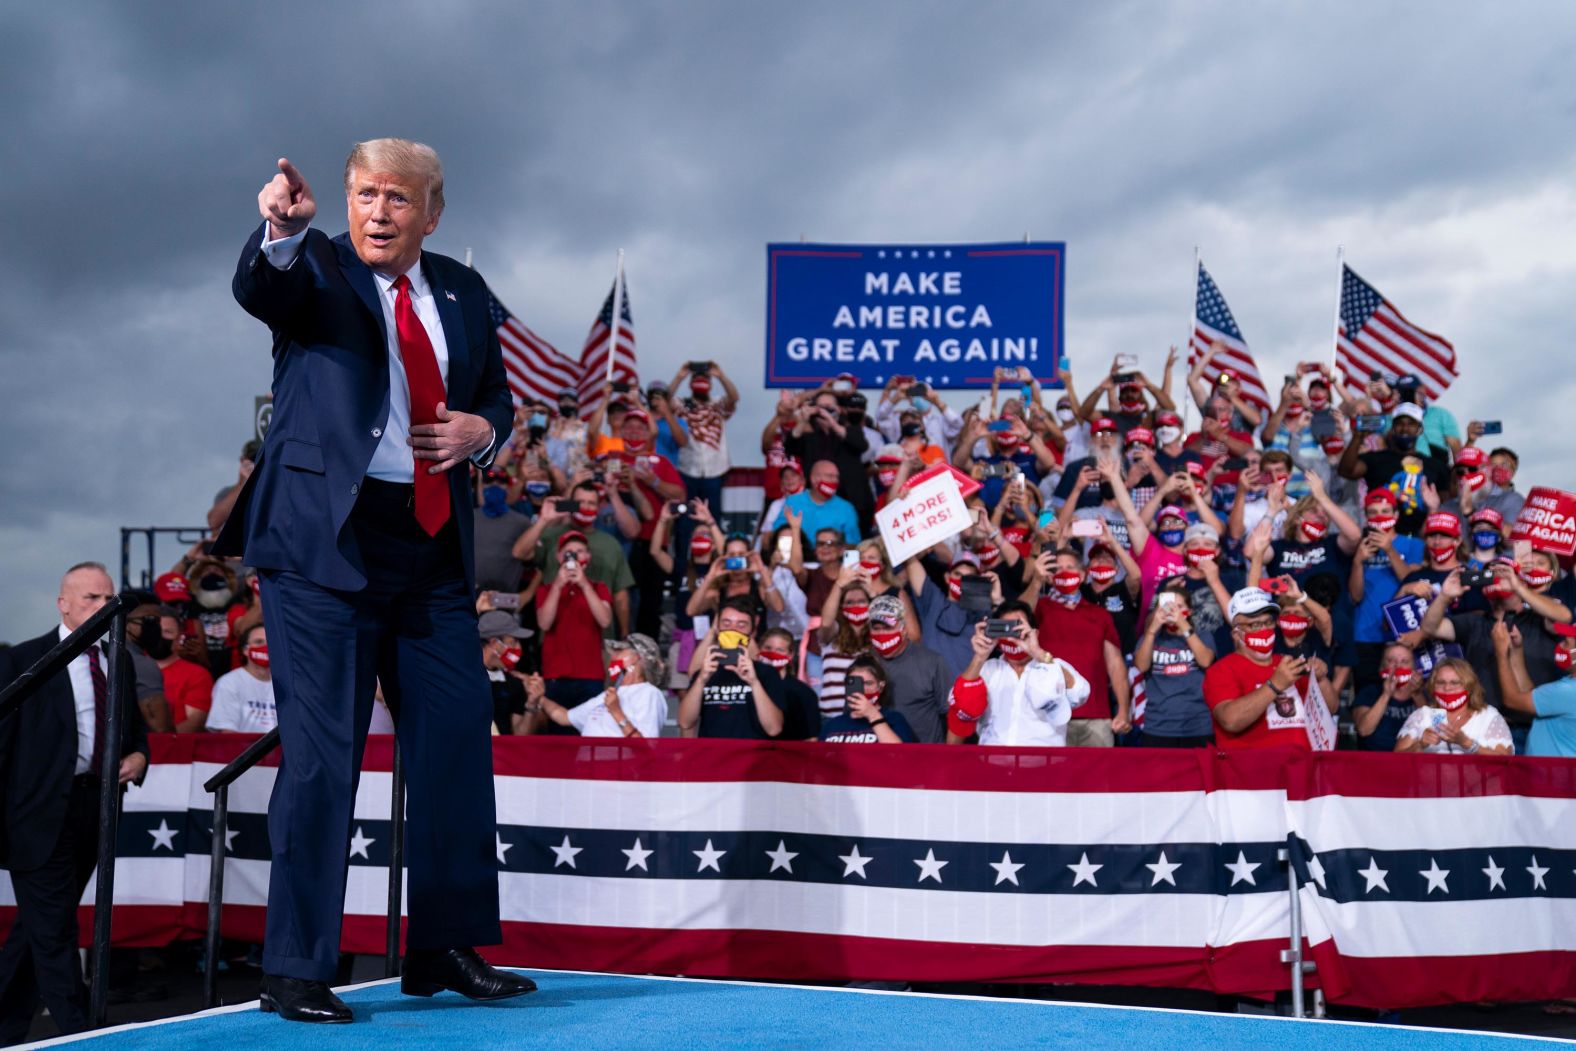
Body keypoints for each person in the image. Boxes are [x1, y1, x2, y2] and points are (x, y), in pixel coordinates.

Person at [217, 143, 533, 1020]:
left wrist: (483, 431)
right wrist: (280, 229)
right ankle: (296, 965)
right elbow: (262, 288)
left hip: (430, 547)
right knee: (323, 759)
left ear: (434, 213)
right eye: (364, 194)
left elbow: (500, 401)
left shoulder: (465, 293)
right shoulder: (313, 266)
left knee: (458, 742)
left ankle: (442, 945)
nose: (377, 211)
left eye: (398, 197)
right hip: (323, 549)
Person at [0, 563, 148, 1043]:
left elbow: (134, 730)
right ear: (63, 603)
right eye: (91, 599)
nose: (103, 609)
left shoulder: (117, 659)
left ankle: (6, 1022)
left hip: (94, 811)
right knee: (55, 930)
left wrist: (139, 755)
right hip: (36, 814)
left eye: (109, 600)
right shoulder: (23, 659)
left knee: (40, 925)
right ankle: (81, 1034)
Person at [1204, 587, 1331, 751]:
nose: (1263, 629)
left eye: (1268, 622)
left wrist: (1321, 679)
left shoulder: (1288, 663)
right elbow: (1230, 721)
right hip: (1252, 771)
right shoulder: (1221, 670)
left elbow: (1329, 708)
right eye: (1255, 624)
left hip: (1300, 769)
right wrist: (1274, 685)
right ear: (1236, 633)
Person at [944, 603, 1090, 746]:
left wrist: (1037, 652)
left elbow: (1080, 693)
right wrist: (979, 656)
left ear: (1035, 633)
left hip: (1044, 765)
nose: (1011, 636)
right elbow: (959, 708)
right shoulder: (987, 669)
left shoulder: (1052, 665)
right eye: (1005, 629)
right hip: (995, 763)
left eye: (1017, 627)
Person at [1026, 547, 1131, 744]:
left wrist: (1124, 710)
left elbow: (1115, 665)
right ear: (1050, 576)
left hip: (1095, 717)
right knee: (1051, 775)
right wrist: (1036, 581)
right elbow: (1019, 616)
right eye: (1058, 569)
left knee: (1099, 775)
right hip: (1047, 717)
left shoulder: (1100, 615)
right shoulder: (1039, 608)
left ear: (1082, 575)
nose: (1064, 572)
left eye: (1070, 567)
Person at [535, 531, 616, 726]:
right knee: (557, 739)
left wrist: (584, 585)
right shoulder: (546, 589)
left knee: (589, 735)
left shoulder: (598, 588)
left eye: (579, 552)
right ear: (558, 556)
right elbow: (544, 623)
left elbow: (605, 621)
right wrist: (558, 586)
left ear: (587, 557)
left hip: (590, 676)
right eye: (568, 552)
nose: (574, 556)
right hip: (555, 675)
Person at [678, 598, 787, 738]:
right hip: (713, 756)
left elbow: (774, 729)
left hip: (751, 757)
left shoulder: (767, 673)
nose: (732, 630)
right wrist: (701, 680)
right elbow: (685, 723)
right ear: (718, 628)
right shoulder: (705, 672)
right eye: (726, 623)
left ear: (752, 632)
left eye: (741, 625)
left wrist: (754, 682)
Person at [526, 635, 667, 738]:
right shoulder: (609, 694)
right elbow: (563, 716)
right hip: (589, 772)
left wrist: (616, 712)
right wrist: (540, 697)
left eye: (619, 651)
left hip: (618, 773)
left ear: (636, 658)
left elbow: (646, 747)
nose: (613, 656)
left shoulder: (648, 693)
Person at [1133, 578, 1217, 747]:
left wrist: (1183, 626)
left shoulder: (1202, 635)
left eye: (1179, 607)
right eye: (1168, 607)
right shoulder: (1151, 638)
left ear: (1190, 611)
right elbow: (1141, 666)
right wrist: (1151, 630)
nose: (1173, 612)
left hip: (1197, 725)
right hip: (1158, 726)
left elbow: (1206, 660)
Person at [864, 595, 952, 743]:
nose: (881, 634)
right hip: (878, 756)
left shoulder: (932, 662)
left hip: (923, 757)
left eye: (888, 628)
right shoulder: (864, 665)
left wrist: (947, 755)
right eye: (876, 628)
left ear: (904, 628)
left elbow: (950, 714)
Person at [1394, 658, 1513, 755]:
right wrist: (1419, 745)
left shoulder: (1488, 716)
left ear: (1469, 687)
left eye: (1455, 683)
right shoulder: (1422, 716)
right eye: (1441, 683)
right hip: (1429, 784)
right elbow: (1395, 762)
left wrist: (1467, 743)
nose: (1447, 688)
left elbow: (1506, 761)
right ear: (1432, 686)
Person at [1495, 620, 1576, 758]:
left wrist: (1501, 653)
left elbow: (1512, 700)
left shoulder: (1568, 691)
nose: (1560, 645)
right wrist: (1516, 650)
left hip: (1553, 777)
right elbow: (1530, 696)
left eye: (1566, 643)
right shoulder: (1568, 686)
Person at [819, 657, 918, 743]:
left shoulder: (894, 719)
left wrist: (873, 715)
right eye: (856, 684)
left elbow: (900, 755)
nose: (863, 689)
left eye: (868, 683)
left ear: (880, 686)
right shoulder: (833, 725)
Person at [1350, 642, 1422, 751]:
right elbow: (1363, 730)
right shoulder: (1369, 692)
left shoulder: (1423, 693)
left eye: (1405, 661)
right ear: (1382, 667)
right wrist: (1386, 695)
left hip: (1412, 759)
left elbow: (1435, 726)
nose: (1398, 666)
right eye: (1391, 661)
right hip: (1375, 760)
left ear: (1414, 667)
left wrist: (1416, 694)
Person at [206, 624, 277, 733]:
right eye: (259, 642)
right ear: (245, 650)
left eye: (271, 642)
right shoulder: (229, 682)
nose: (265, 647)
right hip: (245, 749)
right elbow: (227, 733)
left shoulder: (288, 685)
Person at [772, 459, 860, 546]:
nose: (835, 480)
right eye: (830, 476)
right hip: (798, 557)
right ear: (814, 479)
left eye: (837, 477)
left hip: (832, 558)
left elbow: (852, 546)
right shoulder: (793, 502)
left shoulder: (846, 508)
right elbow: (779, 535)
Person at [757, 628, 821, 740]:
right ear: (759, 650)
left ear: (790, 655)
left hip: (788, 755)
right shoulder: (749, 685)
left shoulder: (803, 693)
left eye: (780, 650)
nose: (773, 654)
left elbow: (811, 738)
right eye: (768, 648)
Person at [477, 610, 531, 735]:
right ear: (495, 644)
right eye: (513, 642)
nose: (518, 648)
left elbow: (520, 736)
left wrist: (532, 704)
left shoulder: (515, 684)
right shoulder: (462, 680)